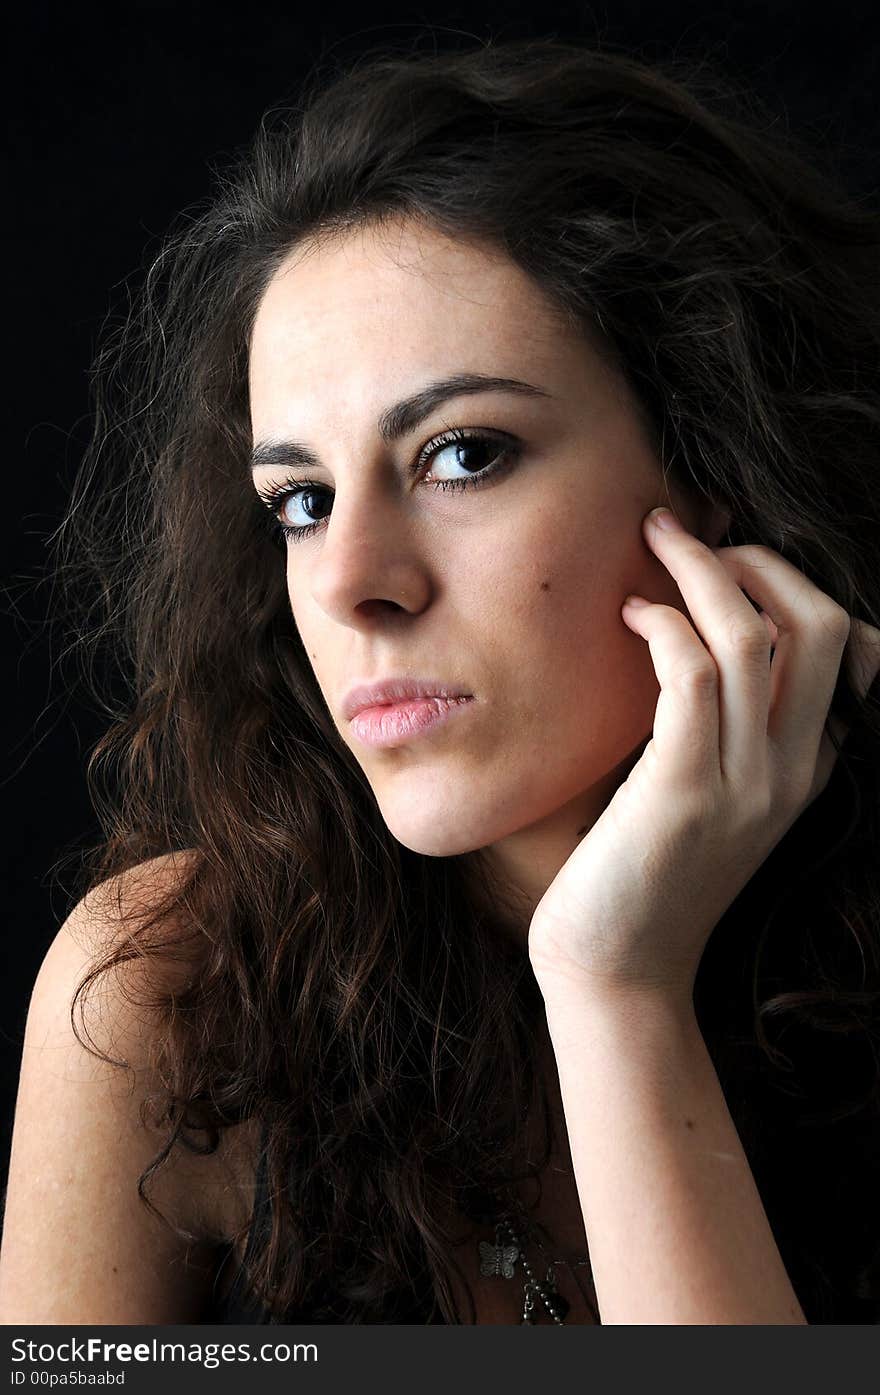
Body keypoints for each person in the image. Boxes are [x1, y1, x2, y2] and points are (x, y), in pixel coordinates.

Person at [2, 33, 880, 1326]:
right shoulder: (167, 994)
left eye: (463, 454)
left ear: (722, 475)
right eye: (299, 499)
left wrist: (615, 987)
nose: (353, 578)